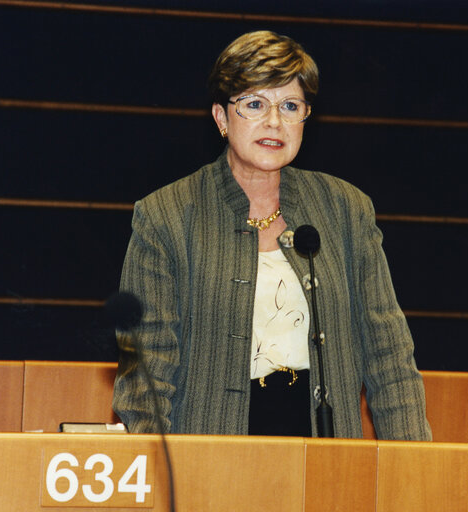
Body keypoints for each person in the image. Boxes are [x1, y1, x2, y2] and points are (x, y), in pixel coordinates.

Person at [113, 30, 431, 440]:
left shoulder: (345, 209)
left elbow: (390, 359)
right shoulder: (167, 217)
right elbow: (145, 376)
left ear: (305, 118)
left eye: (290, 105)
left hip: (327, 459)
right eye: (255, 104)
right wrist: (163, 478)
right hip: (212, 462)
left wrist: (413, 475)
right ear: (221, 118)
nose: (274, 122)